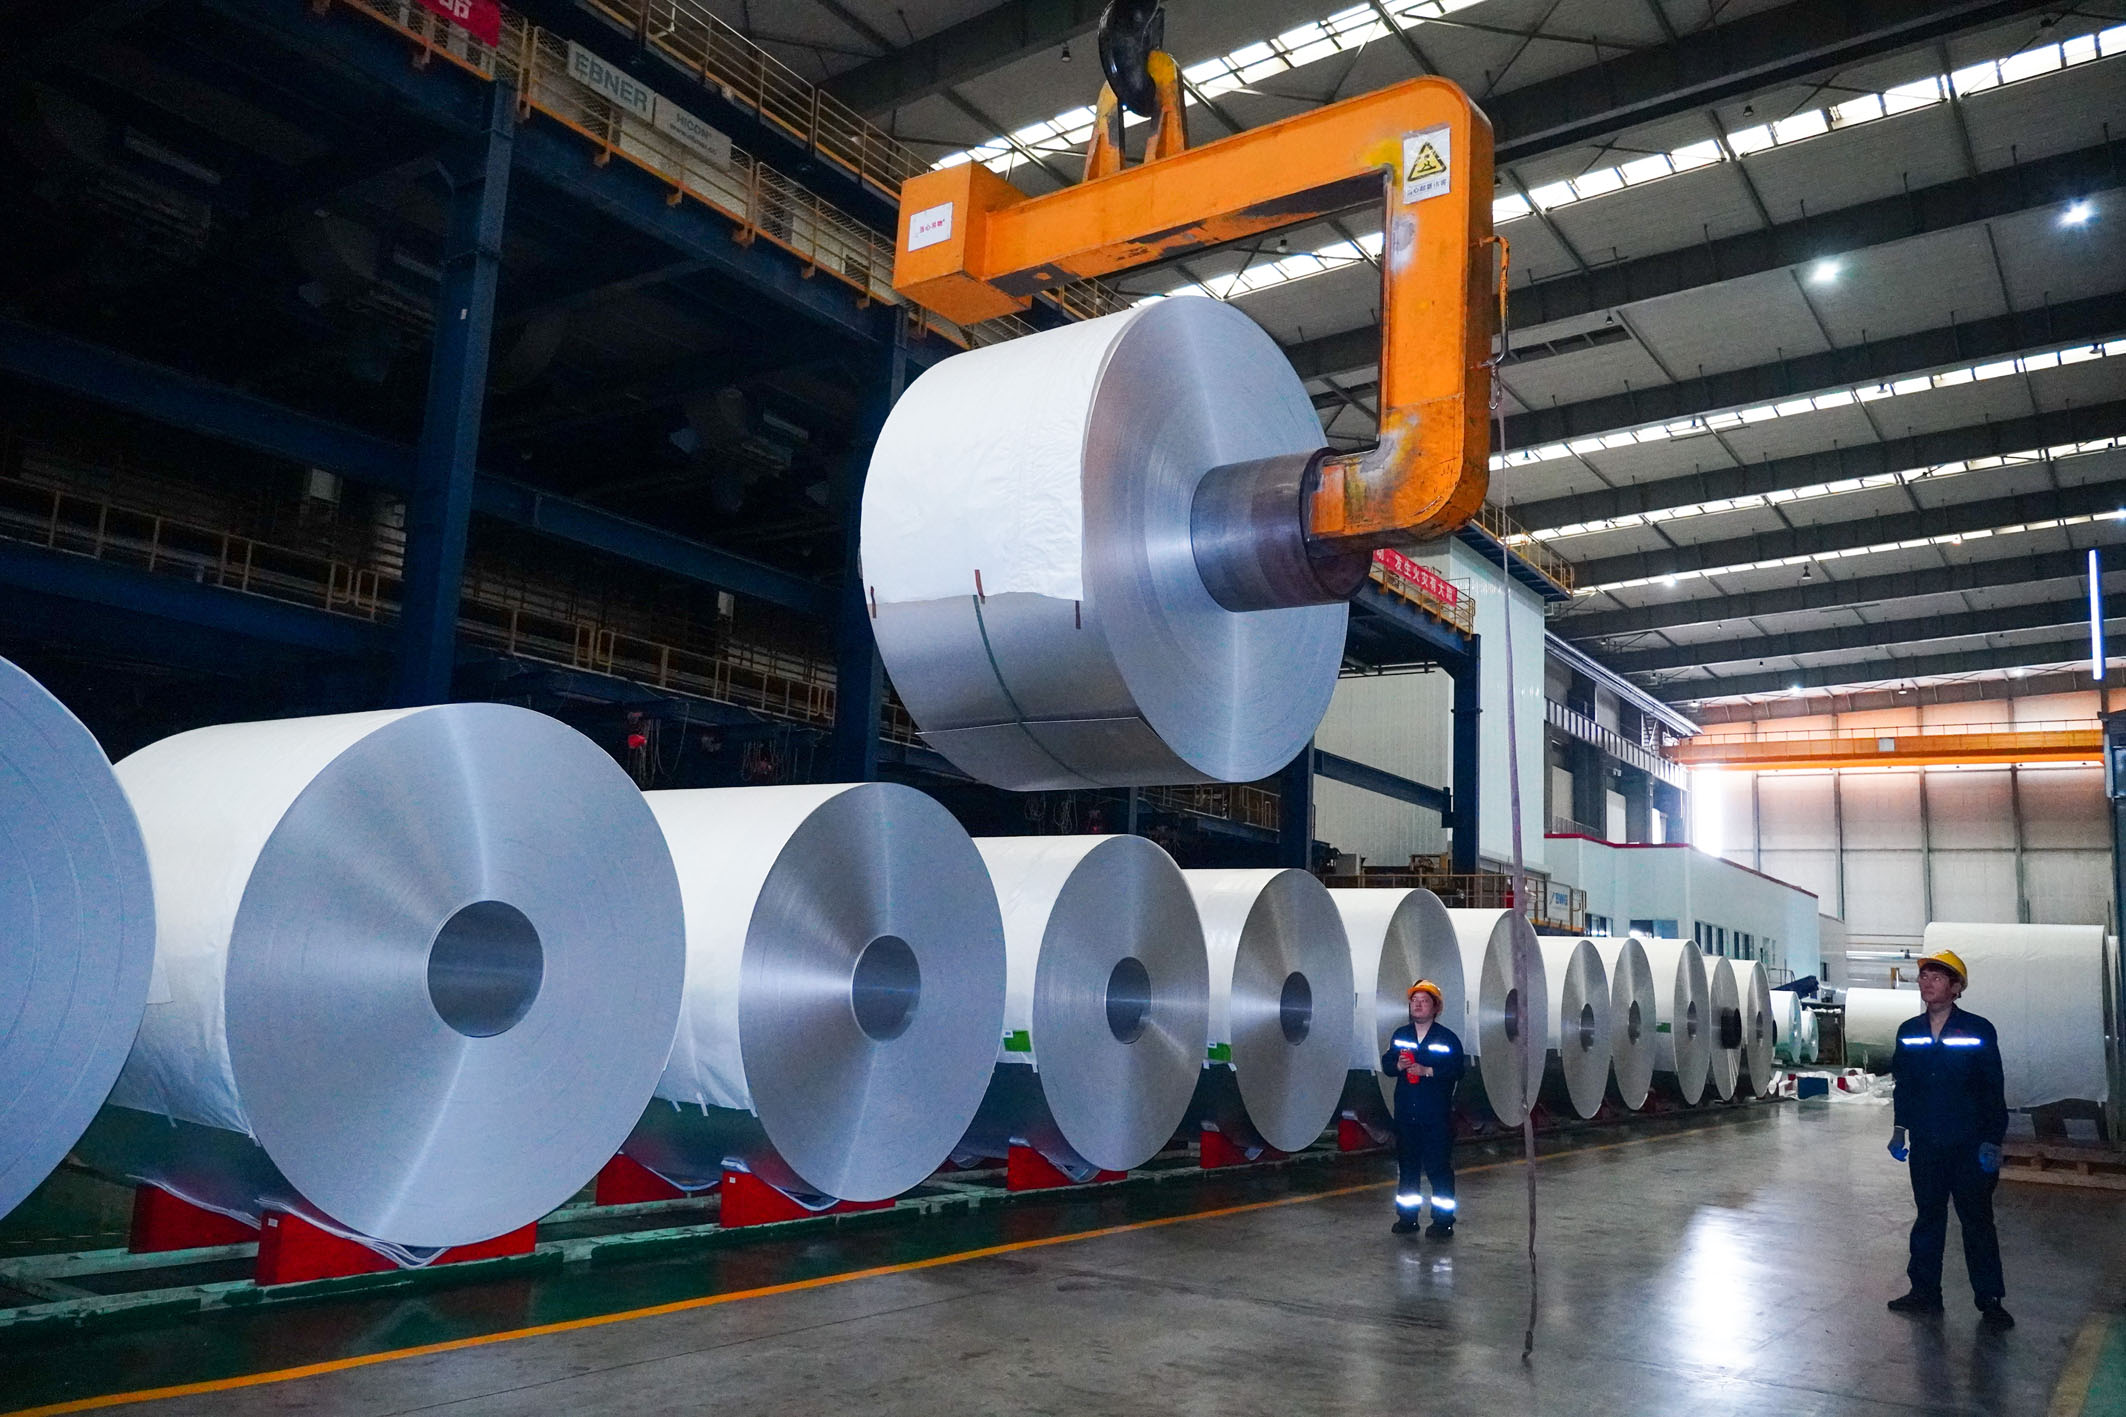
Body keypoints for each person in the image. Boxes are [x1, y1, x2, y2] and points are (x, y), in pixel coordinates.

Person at [1885, 948, 2013, 1330]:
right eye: (1924, 976)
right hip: (1927, 1143)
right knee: (1928, 1217)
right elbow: (1904, 1086)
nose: (1927, 982)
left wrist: (1993, 1139)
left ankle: (1990, 1300)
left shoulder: (1978, 1029)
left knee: (1977, 1221)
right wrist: (1900, 1128)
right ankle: (1924, 1292)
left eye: (1937, 977)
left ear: (1956, 988)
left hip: (1970, 1144)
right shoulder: (1909, 1031)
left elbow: (1993, 1088)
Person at [1382, 979, 1466, 1237]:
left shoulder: (1446, 1038)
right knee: (1407, 1168)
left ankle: (1443, 1221)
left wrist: (1427, 1070)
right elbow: (1387, 1063)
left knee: (1438, 1168)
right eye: (1414, 1001)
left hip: (1435, 1116)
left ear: (1435, 1007)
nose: (1417, 1005)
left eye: (1424, 1001)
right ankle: (1407, 1219)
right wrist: (1398, 1065)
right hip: (1406, 1115)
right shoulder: (1401, 1035)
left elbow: (1457, 1070)